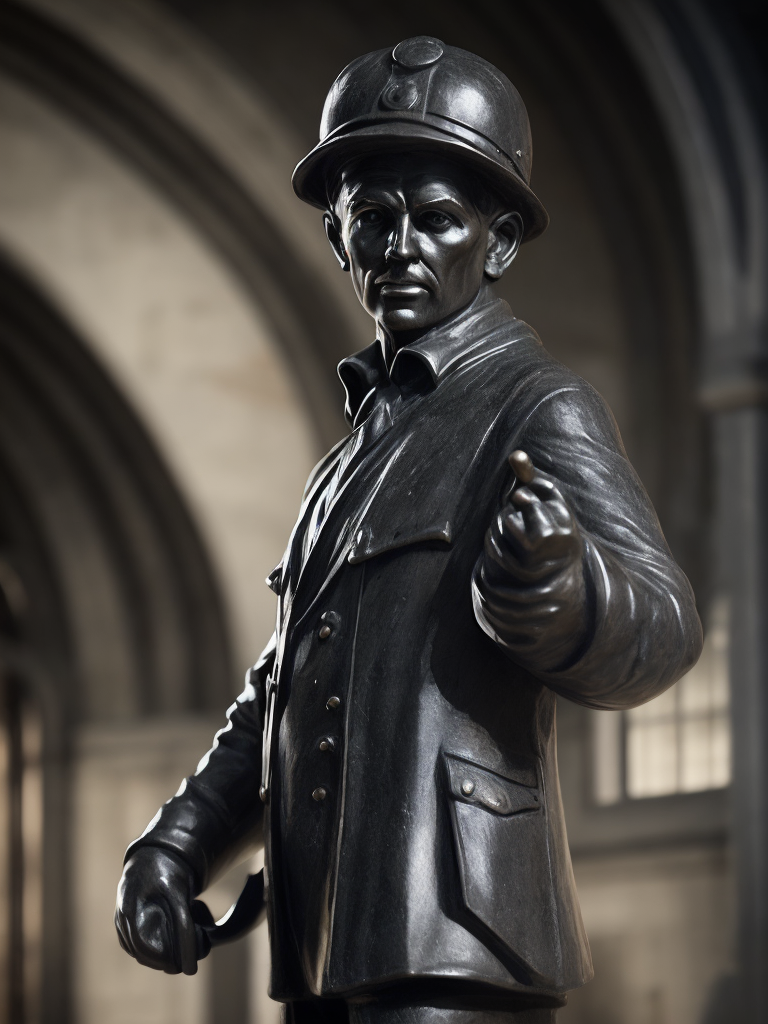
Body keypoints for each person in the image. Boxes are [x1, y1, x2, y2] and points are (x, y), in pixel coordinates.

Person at [115, 36, 702, 1023]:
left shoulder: (537, 406)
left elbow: (668, 626)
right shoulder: (344, 461)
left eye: (436, 220)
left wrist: (564, 594)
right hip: (325, 940)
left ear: (499, 240)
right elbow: (279, 692)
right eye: (372, 220)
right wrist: (176, 843)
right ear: (338, 237)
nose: (399, 251)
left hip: (459, 939)